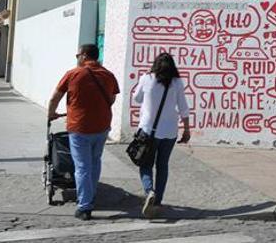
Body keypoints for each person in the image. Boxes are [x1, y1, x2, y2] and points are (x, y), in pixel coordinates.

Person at [47, 44, 119, 221]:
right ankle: (91, 194)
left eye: (77, 55)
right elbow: (112, 98)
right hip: (102, 127)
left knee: (82, 166)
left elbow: (55, 97)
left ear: (84, 56)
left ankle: (85, 206)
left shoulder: (73, 74)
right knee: (95, 161)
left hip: (79, 127)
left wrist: (51, 114)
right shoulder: (108, 75)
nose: (77, 58)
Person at [131, 52, 190, 218]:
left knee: (145, 164)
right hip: (170, 131)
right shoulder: (177, 82)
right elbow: (183, 107)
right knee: (162, 165)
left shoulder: (147, 79)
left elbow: (136, 98)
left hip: (149, 130)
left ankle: (149, 191)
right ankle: (158, 201)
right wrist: (186, 129)